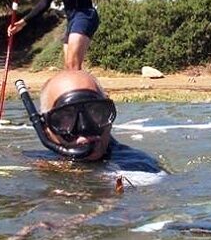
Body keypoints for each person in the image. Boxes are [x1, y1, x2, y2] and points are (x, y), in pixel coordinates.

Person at [14, 71, 163, 173]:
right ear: (45, 128)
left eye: (96, 112)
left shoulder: (138, 166)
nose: (84, 127)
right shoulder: (33, 162)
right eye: (66, 117)